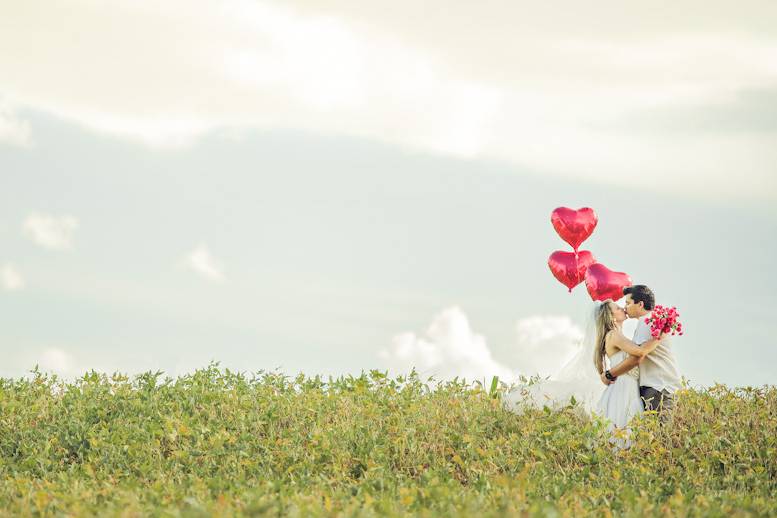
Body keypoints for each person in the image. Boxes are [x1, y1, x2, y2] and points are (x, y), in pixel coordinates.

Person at [601, 285, 682, 421]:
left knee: (657, 437)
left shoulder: (647, 321)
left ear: (640, 304)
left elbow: (638, 356)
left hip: (658, 387)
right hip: (656, 386)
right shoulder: (647, 323)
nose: (625, 307)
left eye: (628, 303)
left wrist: (609, 374)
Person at [592, 300, 664, 446]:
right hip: (623, 389)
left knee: (628, 432)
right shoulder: (613, 335)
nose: (623, 308)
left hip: (629, 387)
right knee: (625, 432)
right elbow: (639, 353)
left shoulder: (619, 336)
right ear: (611, 316)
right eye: (618, 308)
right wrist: (659, 336)